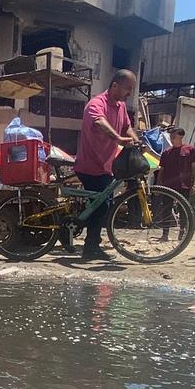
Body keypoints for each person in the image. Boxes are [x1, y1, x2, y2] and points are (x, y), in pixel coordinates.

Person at [74, 69, 139, 261]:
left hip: (107, 166)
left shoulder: (120, 107)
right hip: (90, 165)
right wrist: (118, 138)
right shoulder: (96, 104)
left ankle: (90, 242)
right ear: (115, 85)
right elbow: (99, 122)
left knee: (103, 206)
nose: (129, 93)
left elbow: (127, 126)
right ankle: (90, 248)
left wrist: (135, 140)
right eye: (128, 89)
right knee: (101, 207)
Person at [156, 126, 195, 240]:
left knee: (183, 209)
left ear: (181, 137)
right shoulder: (166, 153)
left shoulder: (190, 150)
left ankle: (182, 231)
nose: (172, 139)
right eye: (171, 137)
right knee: (166, 209)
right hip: (168, 185)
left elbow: (194, 168)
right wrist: (159, 185)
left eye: (174, 136)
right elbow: (161, 170)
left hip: (184, 184)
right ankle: (165, 234)